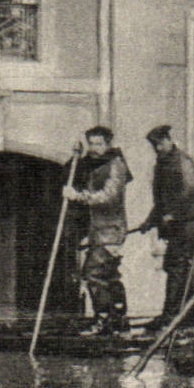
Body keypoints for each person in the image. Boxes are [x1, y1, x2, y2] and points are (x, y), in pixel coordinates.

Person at [62, 125, 133, 335]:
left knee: (93, 273)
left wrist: (79, 196)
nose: (94, 148)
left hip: (110, 230)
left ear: (108, 144)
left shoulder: (116, 164)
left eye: (99, 143)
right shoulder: (95, 163)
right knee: (109, 274)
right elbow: (70, 171)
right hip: (99, 230)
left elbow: (108, 196)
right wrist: (75, 155)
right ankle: (118, 318)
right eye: (91, 143)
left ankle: (103, 320)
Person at [138, 124, 194, 331]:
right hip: (179, 222)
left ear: (169, 140)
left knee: (177, 266)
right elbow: (161, 200)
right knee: (182, 266)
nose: (158, 148)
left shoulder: (182, 161)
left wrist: (173, 214)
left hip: (191, 221)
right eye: (155, 145)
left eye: (161, 143)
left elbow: (190, 189)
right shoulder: (162, 164)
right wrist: (150, 220)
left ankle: (169, 316)